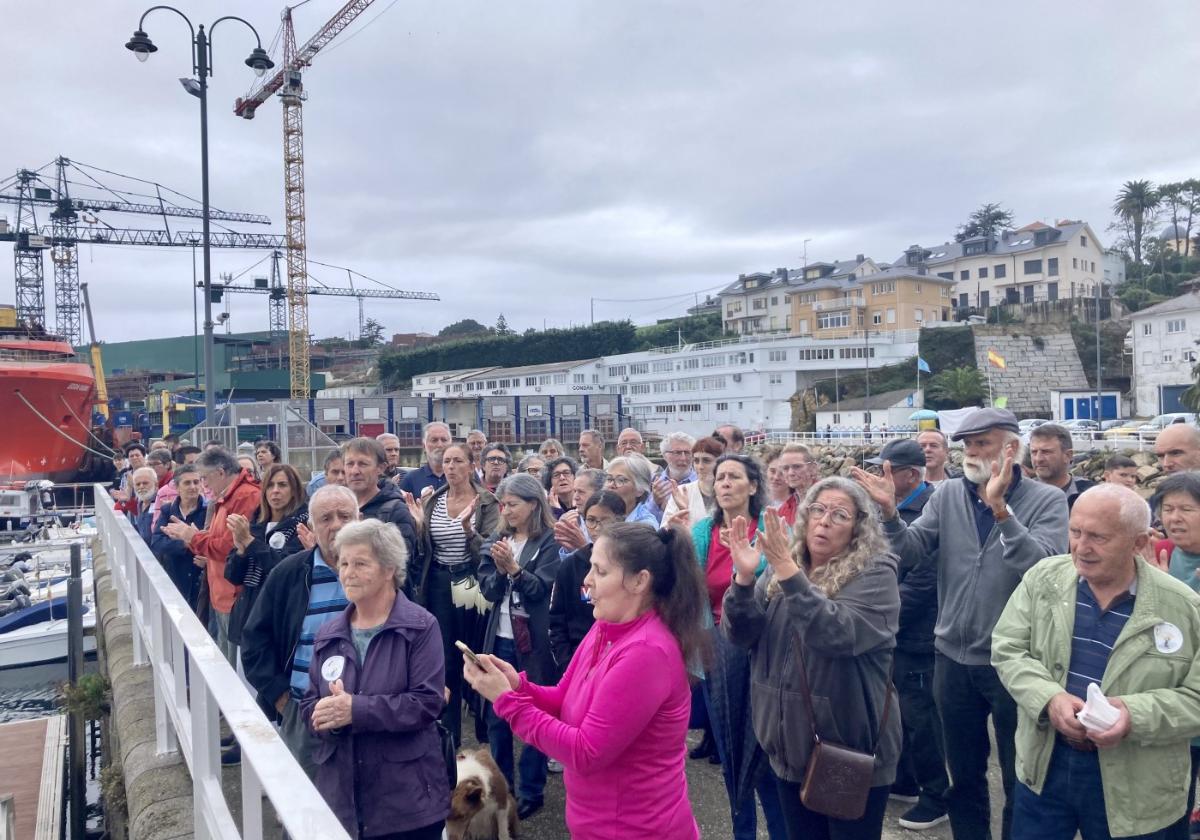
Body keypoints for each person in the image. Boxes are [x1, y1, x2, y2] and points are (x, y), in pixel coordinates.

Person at [852, 407, 1068, 840]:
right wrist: (891, 515)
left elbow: (1044, 571)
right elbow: (912, 551)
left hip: (1015, 660)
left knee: (1017, 773)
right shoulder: (949, 494)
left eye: (981, 443)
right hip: (950, 657)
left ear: (1011, 448)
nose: (970, 452)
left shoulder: (1048, 500)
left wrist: (1001, 510)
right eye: (967, 444)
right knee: (964, 773)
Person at [465, 521, 706, 840]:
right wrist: (517, 687)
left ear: (639, 581)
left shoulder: (647, 652)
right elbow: (564, 699)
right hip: (598, 824)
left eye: (601, 572)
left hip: (637, 829)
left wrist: (508, 703)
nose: (586, 581)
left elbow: (586, 752)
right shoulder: (605, 628)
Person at [992, 484, 1200, 840]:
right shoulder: (1044, 578)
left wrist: (1132, 715)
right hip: (1046, 764)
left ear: (1138, 543)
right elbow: (1008, 648)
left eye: (1098, 537)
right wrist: (1049, 698)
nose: (1081, 547)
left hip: (1137, 782)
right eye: (1075, 532)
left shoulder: (1184, 607)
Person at [724, 477, 902, 839]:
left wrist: (789, 573)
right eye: (818, 510)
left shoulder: (876, 574)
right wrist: (743, 580)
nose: (824, 521)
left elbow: (836, 634)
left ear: (858, 529)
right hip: (789, 745)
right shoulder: (780, 567)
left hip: (846, 750)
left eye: (840, 515)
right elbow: (741, 635)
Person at [303, 518, 449, 840]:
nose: (347, 572)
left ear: (388, 569)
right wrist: (329, 716)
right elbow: (308, 705)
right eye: (343, 563)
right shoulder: (329, 634)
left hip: (406, 804)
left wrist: (355, 709)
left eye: (360, 563)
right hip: (342, 799)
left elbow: (426, 703)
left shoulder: (421, 627)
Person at [691, 453, 786, 839]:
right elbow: (692, 593)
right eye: (720, 477)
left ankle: (782, 830)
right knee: (731, 751)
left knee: (766, 751)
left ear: (752, 485)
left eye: (734, 476)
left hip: (764, 650)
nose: (725, 483)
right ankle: (741, 831)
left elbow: (783, 584)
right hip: (717, 652)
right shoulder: (702, 532)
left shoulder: (773, 527)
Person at [242, 485, 356, 778]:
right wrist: (282, 698)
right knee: (306, 808)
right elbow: (255, 640)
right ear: (312, 527)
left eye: (345, 516)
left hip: (364, 711)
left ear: (360, 518)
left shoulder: (381, 572)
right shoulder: (289, 574)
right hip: (305, 713)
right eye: (326, 519)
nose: (337, 525)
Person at [866, 439, 948, 830]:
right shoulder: (885, 511)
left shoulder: (930, 510)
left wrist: (879, 613)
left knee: (922, 718)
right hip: (892, 631)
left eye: (884, 471)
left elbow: (924, 579)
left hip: (918, 633)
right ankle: (906, 779)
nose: (876, 478)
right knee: (896, 713)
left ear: (910, 475)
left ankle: (937, 796)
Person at [476, 474, 562, 820]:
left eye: (513, 504)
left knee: (533, 715)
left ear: (533, 505)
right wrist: (500, 572)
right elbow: (489, 591)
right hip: (500, 638)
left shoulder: (551, 542)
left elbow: (542, 589)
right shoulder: (498, 539)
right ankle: (503, 787)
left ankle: (531, 789)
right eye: (503, 504)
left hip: (535, 642)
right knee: (497, 717)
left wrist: (514, 570)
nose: (506, 510)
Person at [410, 442, 499, 748]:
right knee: (445, 656)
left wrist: (467, 530)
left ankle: (487, 727)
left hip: (471, 580)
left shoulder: (486, 501)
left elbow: (491, 548)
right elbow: (426, 547)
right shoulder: (434, 500)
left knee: (475, 652)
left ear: (472, 465)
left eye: (458, 461)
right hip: (437, 581)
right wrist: (419, 525)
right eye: (446, 461)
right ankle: (450, 736)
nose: (450, 467)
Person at [163, 447, 262, 665]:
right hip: (222, 593)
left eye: (205, 478)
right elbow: (219, 540)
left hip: (233, 595)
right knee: (224, 660)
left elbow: (229, 547)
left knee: (232, 666)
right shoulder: (228, 495)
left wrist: (193, 537)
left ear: (220, 472)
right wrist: (191, 537)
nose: (204, 486)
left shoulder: (245, 496)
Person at [1154, 472, 1200, 836]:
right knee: (1171, 806)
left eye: (1186, 508)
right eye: (1168, 508)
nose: (1174, 518)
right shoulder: (1159, 553)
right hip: (1170, 705)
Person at [224, 464, 309, 656]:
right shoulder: (254, 524)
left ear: (295, 490)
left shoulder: (303, 525)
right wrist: (240, 550)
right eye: (270, 486)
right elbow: (233, 576)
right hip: (247, 617)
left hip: (279, 620)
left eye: (282, 485)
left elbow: (283, 568)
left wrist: (250, 542)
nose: (275, 491)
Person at [547, 491, 624, 674]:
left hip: (618, 659)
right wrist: (567, 663)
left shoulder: (631, 564)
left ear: (621, 521)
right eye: (591, 520)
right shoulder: (571, 565)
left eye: (605, 520)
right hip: (578, 661)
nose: (597, 527)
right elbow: (557, 619)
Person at [341, 437, 419, 564]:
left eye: (363, 464)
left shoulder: (395, 511)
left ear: (381, 468)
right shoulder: (337, 509)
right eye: (350, 464)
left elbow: (400, 564)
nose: (355, 471)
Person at [150, 464, 206, 609]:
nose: (193, 486)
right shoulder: (168, 511)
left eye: (196, 482)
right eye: (187, 483)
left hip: (200, 581)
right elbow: (157, 542)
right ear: (177, 487)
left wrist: (193, 538)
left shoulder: (209, 511)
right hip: (175, 576)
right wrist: (185, 543)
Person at [1028, 424, 1095, 511]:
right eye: (1034, 452)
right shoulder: (1022, 494)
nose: (1038, 459)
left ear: (1068, 455)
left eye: (1046, 452)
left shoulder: (1090, 494)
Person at [663, 435, 725, 526]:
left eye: (706, 461)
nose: (700, 467)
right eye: (696, 461)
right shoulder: (681, 492)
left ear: (720, 463)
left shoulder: (729, 491)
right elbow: (664, 531)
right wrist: (682, 513)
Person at [647, 431, 698, 520]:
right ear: (664, 455)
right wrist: (655, 503)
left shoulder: (701, 483)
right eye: (677, 453)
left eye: (687, 453)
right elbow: (645, 521)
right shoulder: (653, 482)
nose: (683, 458)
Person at [604, 454, 660, 525]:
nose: (611, 485)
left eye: (621, 480)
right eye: (609, 479)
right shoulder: (600, 515)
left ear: (640, 490)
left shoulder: (645, 525)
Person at [400, 422, 453, 496]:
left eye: (444, 440)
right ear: (424, 446)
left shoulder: (462, 477)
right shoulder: (411, 479)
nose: (440, 445)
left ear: (451, 444)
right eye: (434, 440)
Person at [776, 443, 819, 525]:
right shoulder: (783, 510)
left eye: (797, 467)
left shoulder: (828, 499)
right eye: (785, 468)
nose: (790, 473)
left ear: (813, 468)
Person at [146, 448, 177, 528]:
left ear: (167, 464)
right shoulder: (151, 483)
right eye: (149, 464)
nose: (152, 467)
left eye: (156, 464)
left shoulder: (174, 484)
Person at [129, 466, 159, 544]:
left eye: (145, 483)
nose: (141, 487)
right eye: (138, 484)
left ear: (156, 484)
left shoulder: (161, 503)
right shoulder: (140, 503)